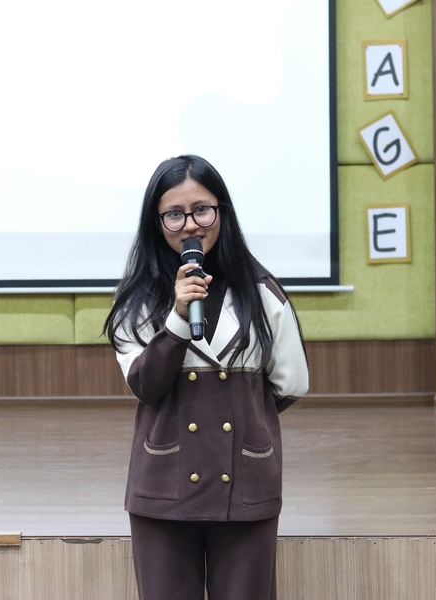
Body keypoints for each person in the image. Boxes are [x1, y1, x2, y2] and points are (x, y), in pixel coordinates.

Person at [103, 154, 309, 600]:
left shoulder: (263, 292)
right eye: (174, 214)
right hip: (163, 484)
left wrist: (240, 413)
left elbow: (291, 382)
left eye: (202, 210)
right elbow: (145, 385)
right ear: (157, 222)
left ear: (222, 212)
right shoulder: (136, 300)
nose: (191, 225)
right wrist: (178, 318)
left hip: (246, 482)